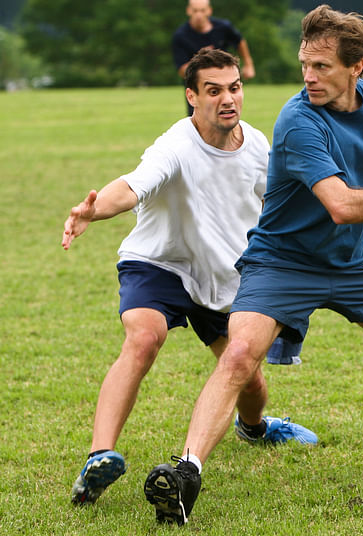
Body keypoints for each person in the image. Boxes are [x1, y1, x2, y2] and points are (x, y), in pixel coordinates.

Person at [143, 4, 363, 526]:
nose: (308, 77)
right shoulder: (298, 119)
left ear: (357, 67)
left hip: (350, 260)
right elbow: (343, 204)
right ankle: (186, 472)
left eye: (323, 67)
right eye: (304, 65)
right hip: (281, 262)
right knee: (240, 354)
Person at [63, 49, 316, 508]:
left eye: (234, 88)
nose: (227, 99)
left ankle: (256, 428)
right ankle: (99, 457)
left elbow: (291, 199)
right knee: (143, 338)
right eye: (214, 90)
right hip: (160, 262)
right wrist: (93, 210)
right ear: (192, 96)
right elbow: (133, 185)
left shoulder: (259, 147)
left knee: (250, 380)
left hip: (220, 275)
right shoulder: (176, 144)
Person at [172, 0, 256, 115]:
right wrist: (204, 60)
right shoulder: (181, 36)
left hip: (225, 83)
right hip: (199, 87)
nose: (199, 15)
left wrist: (248, 64)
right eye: (195, 11)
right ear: (188, 11)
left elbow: (239, 41)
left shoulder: (223, 27)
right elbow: (182, 70)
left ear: (209, 11)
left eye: (202, 10)